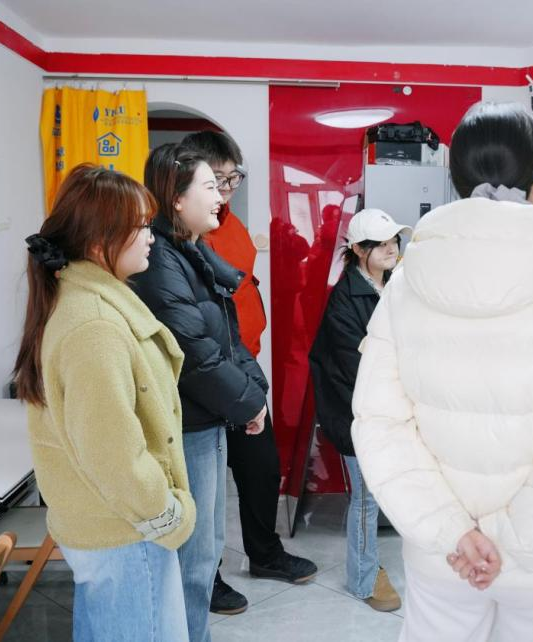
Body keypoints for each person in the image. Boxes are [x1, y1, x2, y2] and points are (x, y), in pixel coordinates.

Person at [349, 101, 533, 642]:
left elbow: (380, 425)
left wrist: (453, 532)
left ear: (456, 181)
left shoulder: (406, 283)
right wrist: (514, 537)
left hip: (447, 560)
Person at [13, 164, 195, 641]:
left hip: (110, 527)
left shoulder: (81, 303)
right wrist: (166, 514)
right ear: (100, 241)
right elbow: (113, 452)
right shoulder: (94, 324)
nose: (151, 236)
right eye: (140, 225)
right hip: (126, 531)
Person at [131, 144, 268, 642]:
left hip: (208, 418)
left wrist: (254, 393)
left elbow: (226, 336)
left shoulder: (190, 250)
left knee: (206, 549)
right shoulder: (161, 262)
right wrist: (249, 401)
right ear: (177, 199)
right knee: (193, 558)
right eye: (210, 186)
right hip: (187, 425)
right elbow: (195, 354)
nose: (221, 197)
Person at [181, 131, 318, 616]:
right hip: (207, 376)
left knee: (260, 468)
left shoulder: (231, 225)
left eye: (232, 178)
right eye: (216, 180)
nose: (226, 190)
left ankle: (264, 554)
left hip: (241, 365)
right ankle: (207, 576)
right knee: (206, 489)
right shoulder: (184, 237)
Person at [309, 209, 411, 612]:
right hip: (359, 415)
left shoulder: (394, 286)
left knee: (382, 494)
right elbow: (361, 370)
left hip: (388, 410)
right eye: (380, 244)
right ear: (357, 250)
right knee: (366, 499)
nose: (391, 248)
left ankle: (368, 569)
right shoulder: (344, 302)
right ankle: (363, 579)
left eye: (394, 241)